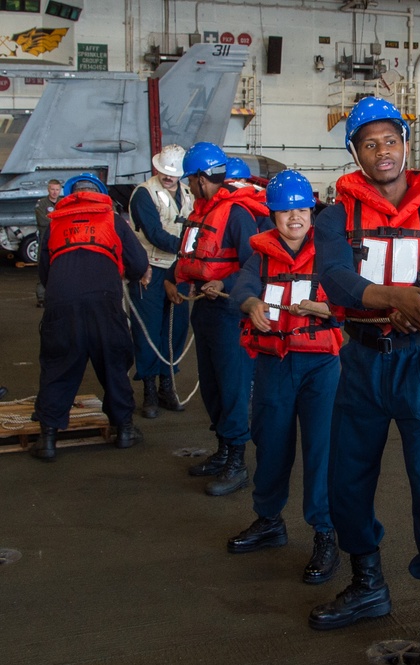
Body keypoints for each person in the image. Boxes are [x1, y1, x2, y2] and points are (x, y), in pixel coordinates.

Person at [308, 96, 420, 665]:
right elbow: (332, 277)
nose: (383, 151)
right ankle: (369, 583)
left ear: (406, 143)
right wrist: (389, 298)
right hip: (360, 364)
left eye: (391, 139)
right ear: (355, 152)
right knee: (346, 482)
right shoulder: (335, 217)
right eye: (369, 143)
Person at [227, 170, 344, 584]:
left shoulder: (332, 251)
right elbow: (241, 287)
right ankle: (269, 520)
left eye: (300, 209)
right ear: (271, 215)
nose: (294, 217)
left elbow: (352, 299)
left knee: (322, 450)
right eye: (284, 210)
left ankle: (326, 533)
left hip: (320, 368)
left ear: (311, 210)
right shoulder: (259, 255)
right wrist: (251, 302)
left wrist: (323, 310)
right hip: (273, 364)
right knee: (271, 443)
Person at [164, 142, 270, 495]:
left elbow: (253, 267)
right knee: (211, 387)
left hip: (229, 313)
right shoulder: (200, 213)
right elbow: (188, 256)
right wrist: (178, 281)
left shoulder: (236, 214)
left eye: (189, 180)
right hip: (204, 313)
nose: (188, 186)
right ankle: (224, 450)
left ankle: (238, 461)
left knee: (234, 387)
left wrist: (222, 282)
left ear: (200, 177)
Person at [31, 174, 151, 461]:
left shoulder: (55, 223)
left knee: (58, 365)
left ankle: (47, 438)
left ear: (70, 195)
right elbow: (138, 263)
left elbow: (45, 272)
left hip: (61, 302)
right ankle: (123, 430)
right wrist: (130, 275)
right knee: (113, 362)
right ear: (100, 195)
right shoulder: (113, 220)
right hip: (104, 303)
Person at [127, 144, 194, 420]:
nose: (168, 177)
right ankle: (149, 391)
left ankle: (167, 387)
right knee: (148, 333)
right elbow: (153, 233)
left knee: (175, 330)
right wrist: (189, 248)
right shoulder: (144, 194)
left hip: (178, 270)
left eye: (173, 173)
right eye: (164, 172)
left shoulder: (188, 194)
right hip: (149, 270)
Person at [33, 179, 61, 307]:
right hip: (45, 241)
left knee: (59, 268)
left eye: (57, 190)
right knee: (43, 267)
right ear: (48, 189)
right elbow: (42, 221)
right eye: (52, 189)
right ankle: (41, 298)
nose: (55, 192)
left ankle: (57, 296)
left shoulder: (63, 203)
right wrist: (59, 221)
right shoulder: (42, 204)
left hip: (60, 241)